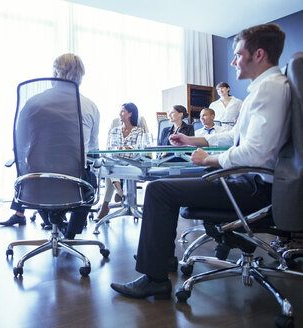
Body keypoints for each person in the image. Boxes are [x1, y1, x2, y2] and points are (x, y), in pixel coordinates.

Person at [110, 23, 289, 299]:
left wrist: (210, 160)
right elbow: (233, 137)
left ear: (259, 54)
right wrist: (193, 141)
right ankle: (162, 259)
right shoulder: (264, 88)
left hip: (253, 187)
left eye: (239, 54)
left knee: (158, 191)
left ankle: (154, 277)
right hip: (246, 179)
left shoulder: (270, 90)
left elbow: (256, 153)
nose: (233, 61)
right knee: (165, 181)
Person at [0, 53, 100, 240]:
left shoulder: (33, 103)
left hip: (37, 184)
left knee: (33, 173)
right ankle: (71, 233)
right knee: (90, 179)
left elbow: (19, 145)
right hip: (75, 185)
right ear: (81, 77)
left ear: (54, 73)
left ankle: (52, 221)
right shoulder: (90, 107)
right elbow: (93, 149)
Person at [96, 103, 144, 221]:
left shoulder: (139, 131)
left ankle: (107, 204)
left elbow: (138, 149)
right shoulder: (115, 130)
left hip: (131, 162)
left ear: (130, 114)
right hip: (115, 160)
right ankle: (121, 193)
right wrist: (123, 149)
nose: (120, 114)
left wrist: (121, 149)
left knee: (110, 172)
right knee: (110, 166)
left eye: (123, 111)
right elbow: (109, 147)